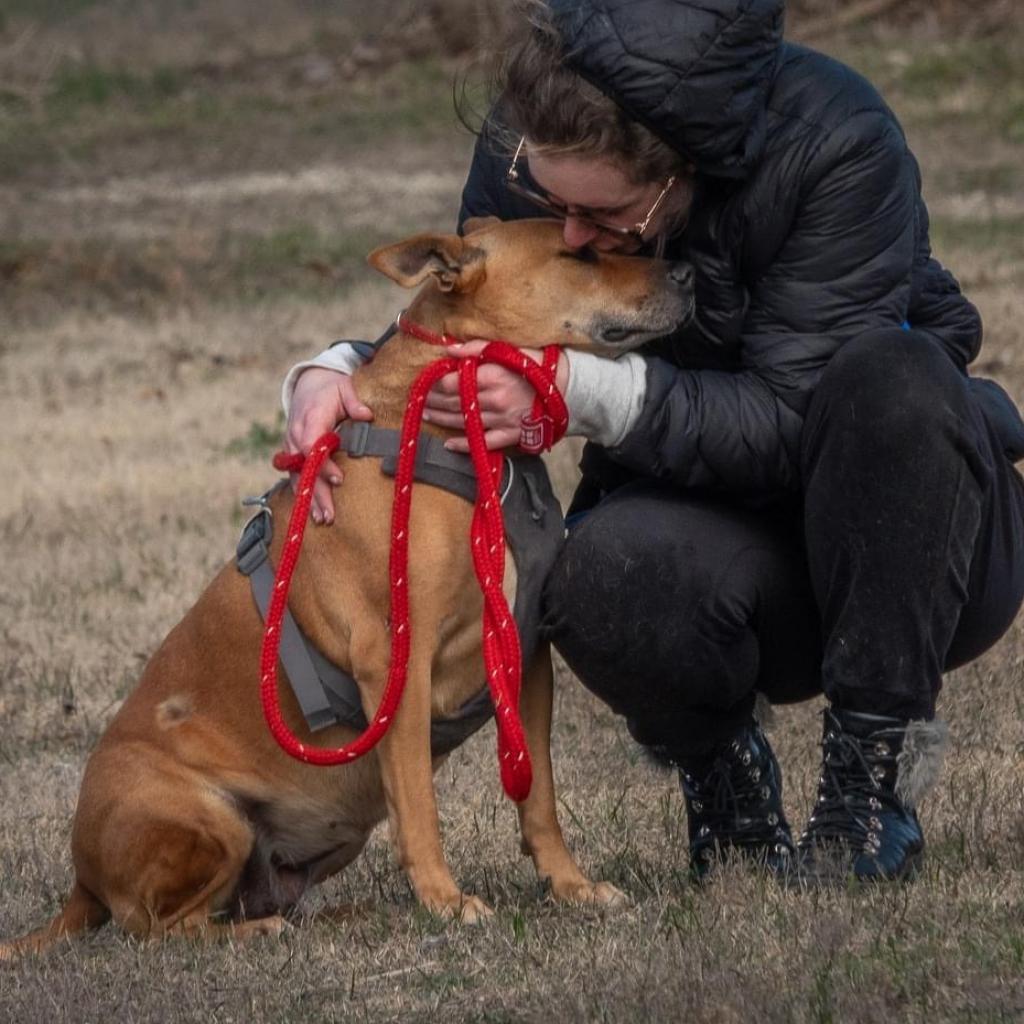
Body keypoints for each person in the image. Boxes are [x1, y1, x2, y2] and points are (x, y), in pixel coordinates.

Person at [281, 0, 1024, 886]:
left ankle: (868, 790)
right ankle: (724, 776)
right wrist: (336, 371)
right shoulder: (533, 148)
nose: (571, 234)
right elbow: (479, 304)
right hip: (718, 543)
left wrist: (575, 390)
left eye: (603, 218)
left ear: (679, 175)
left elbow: (793, 416)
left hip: (914, 539)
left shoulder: (840, 143)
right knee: (590, 575)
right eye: (551, 205)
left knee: (897, 380)